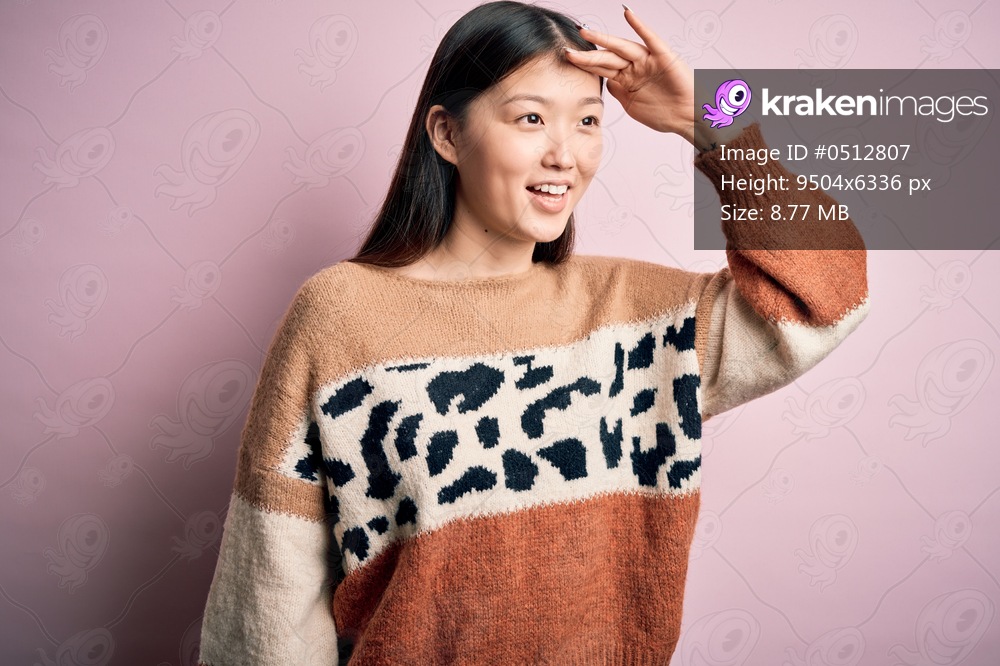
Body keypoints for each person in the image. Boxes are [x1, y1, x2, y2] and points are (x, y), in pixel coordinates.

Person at [197, 3, 869, 665]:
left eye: (587, 122)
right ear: (447, 134)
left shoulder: (639, 318)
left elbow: (826, 298)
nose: (564, 154)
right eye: (530, 118)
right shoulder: (340, 316)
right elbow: (269, 599)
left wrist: (709, 123)